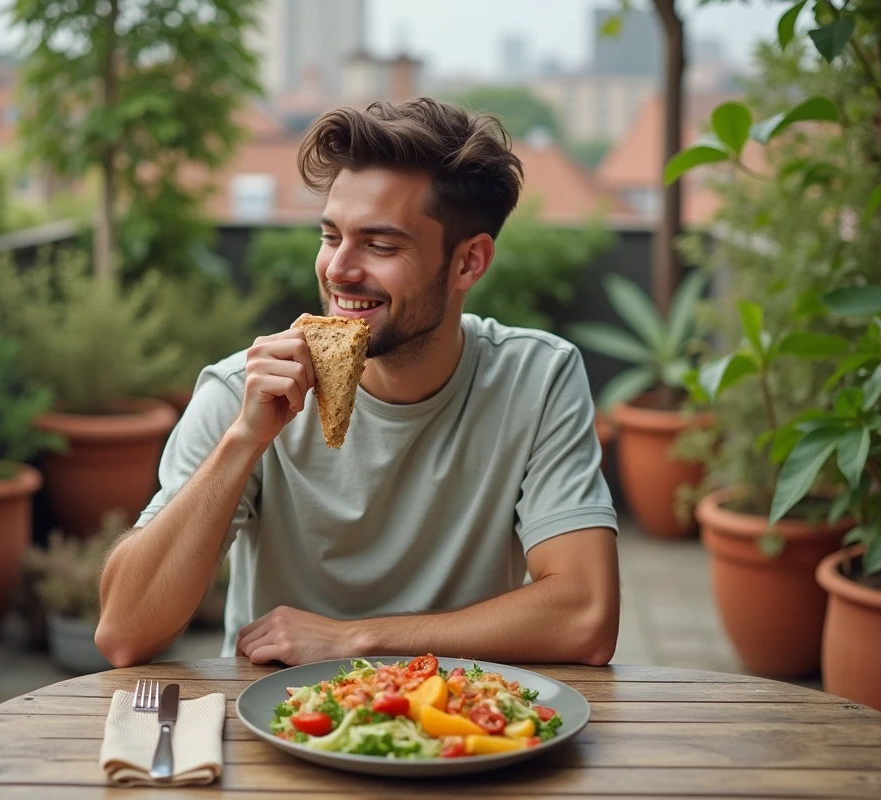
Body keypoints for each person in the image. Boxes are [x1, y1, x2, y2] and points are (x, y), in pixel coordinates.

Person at [94, 97, 620, 669]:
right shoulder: (241, 392)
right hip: (277, 722)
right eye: (330, 236)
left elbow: (585, 617)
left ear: (469, 262)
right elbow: (123, 633)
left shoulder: (536, 379)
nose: (339, 269)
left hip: (460, 727)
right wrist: (242, 442)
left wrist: (356, 640)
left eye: (381, 244)